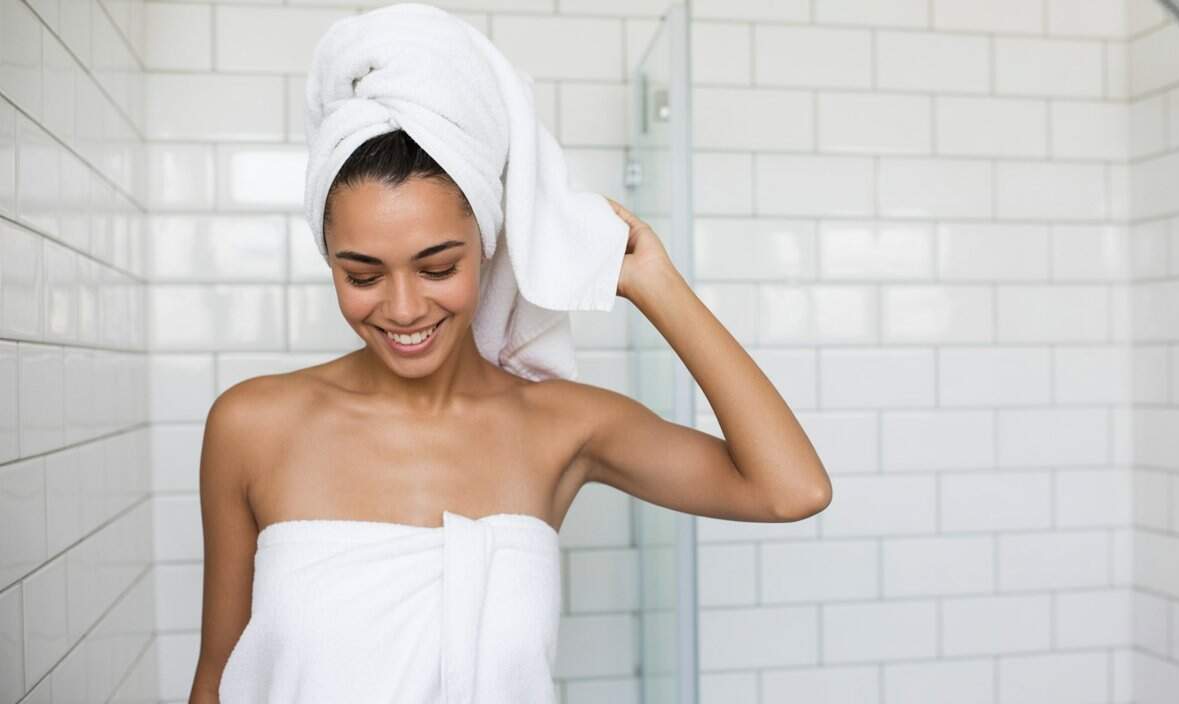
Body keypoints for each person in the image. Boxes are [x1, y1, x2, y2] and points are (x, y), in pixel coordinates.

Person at [185, 128, 832, 702]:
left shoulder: (560, 426)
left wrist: (653, 282)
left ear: (489, 247)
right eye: (362, 277)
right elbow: (217, 679)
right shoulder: (253, 425)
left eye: (438, 267)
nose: (404, 308)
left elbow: (790, 488)